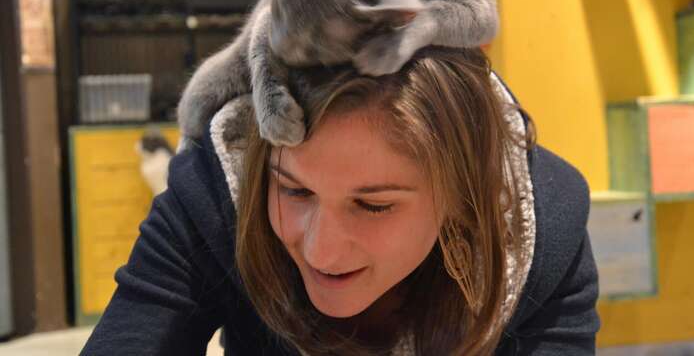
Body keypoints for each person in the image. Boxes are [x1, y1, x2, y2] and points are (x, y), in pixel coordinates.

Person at [81, 47, 599, 355]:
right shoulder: (213, 195)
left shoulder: (542, 235)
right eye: (294, 190)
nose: (322, 251)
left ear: (460, 195)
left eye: (374, 205)